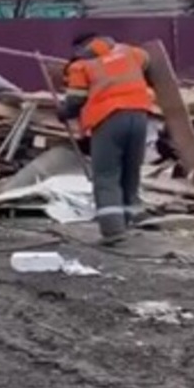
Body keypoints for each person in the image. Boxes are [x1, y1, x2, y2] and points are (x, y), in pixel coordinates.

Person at [58, 33, 155, 245]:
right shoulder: (131, 53)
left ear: (82, 47)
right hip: (139, 116)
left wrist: (63, 113)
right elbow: (148, 60)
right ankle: (133, 219)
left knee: (106, 175)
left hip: (108, 120)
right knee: (131, 170)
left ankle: (113, 230)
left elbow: (75, 100)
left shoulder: (82, 66)